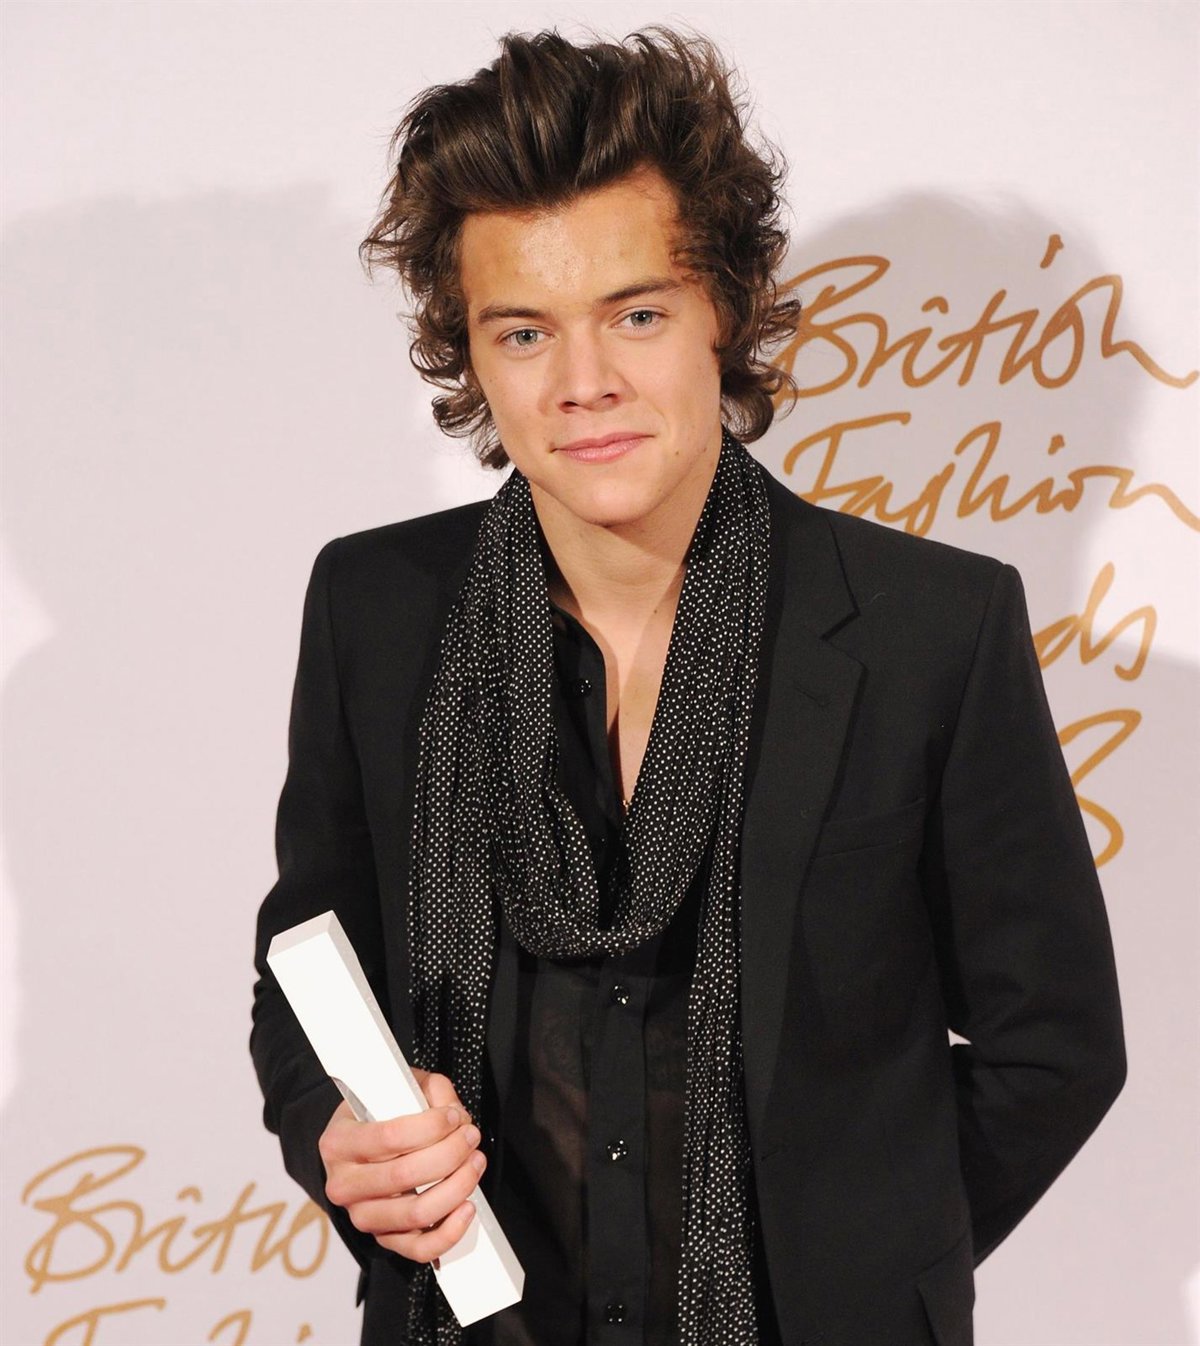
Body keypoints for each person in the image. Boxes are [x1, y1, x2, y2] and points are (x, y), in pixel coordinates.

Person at [250, 26, 1126, 1346]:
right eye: (525, 331)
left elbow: (1053, 1042)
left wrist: (860, 1263)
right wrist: (338, 1133)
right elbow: (308, 968)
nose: (585, 384)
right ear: (469, 353)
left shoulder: (932, 628)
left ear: (725, 308)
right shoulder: (375, 610)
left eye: (638, 314)